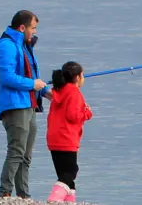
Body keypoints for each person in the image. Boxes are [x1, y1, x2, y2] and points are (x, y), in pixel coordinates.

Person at [0, 10, 49, 199]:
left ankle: (23, 195)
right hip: (14, 106)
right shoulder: (7, 46)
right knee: (16, 150)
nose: (34, 32)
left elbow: (30, 75)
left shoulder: (24, 46)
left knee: (26, 155)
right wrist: (33, 84)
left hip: (29, 104)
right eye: (33, 28)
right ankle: (5, 193)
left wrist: (44, 91)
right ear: (22, 27)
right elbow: (6, 77)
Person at [47, 62, 93, 203]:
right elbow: (73, 116)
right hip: (67, 138)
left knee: (64, 173)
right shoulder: (74, 92)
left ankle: (68, 201)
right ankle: (54, 199)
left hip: (54, 138)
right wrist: (87, 112)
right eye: (82, 75)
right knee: (71, 171)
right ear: (78, 78)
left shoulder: (59, 91)